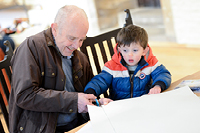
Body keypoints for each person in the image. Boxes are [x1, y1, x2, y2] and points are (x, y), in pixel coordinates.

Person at [9, 5, 99, 133]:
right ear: (55, 29)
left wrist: (96, 102)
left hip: (78, 124)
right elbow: (25, 95)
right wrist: (73, 101)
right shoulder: (31, 47)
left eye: (81, 40)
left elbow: (85, 94)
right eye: (72, 38)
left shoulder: (80, 57)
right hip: (44, 128)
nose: (76, 46)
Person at [84, 24, 171, 100]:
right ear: (120, 50)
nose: (130, 54)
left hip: (144, 103)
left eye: (135, 50)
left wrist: (158, 86)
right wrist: (90, 91)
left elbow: (163, 74)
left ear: (144, 51)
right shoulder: (112, 66)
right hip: (120, 106)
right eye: (125, 50)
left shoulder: (151, 63)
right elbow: (100, 81)